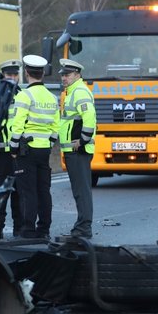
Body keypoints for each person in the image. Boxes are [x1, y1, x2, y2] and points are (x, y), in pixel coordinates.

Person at [9, 55, 58, 240]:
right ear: (43, 73)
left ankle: (28, 230)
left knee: (27, 191)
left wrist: (13, 148)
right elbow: (55, 126)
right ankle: (44, 229)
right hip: (44, 149)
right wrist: (49, 143)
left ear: (27, 73)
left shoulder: (24, 96)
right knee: (44, 190)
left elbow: (17, 125)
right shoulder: (52, 98)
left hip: (26, 150)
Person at [58, 58, 97, 238]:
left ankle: (84, 228)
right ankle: (82, 226)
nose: (64, 78)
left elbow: (89, 118)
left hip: (78, 151)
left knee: (81, 191)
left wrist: (82, 141)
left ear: (77, 74)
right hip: (73, 150)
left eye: (67, 75)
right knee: (80, 190)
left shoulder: (79, 92)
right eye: (63, 75)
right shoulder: (72, 92)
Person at [0, 60, 22, 238]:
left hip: (17, 153)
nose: (12, 77)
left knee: (19, 194)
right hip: (0, 153)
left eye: (15, 74)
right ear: (3, 76)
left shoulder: (22, 95)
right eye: (9, 75)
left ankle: (19, 229)